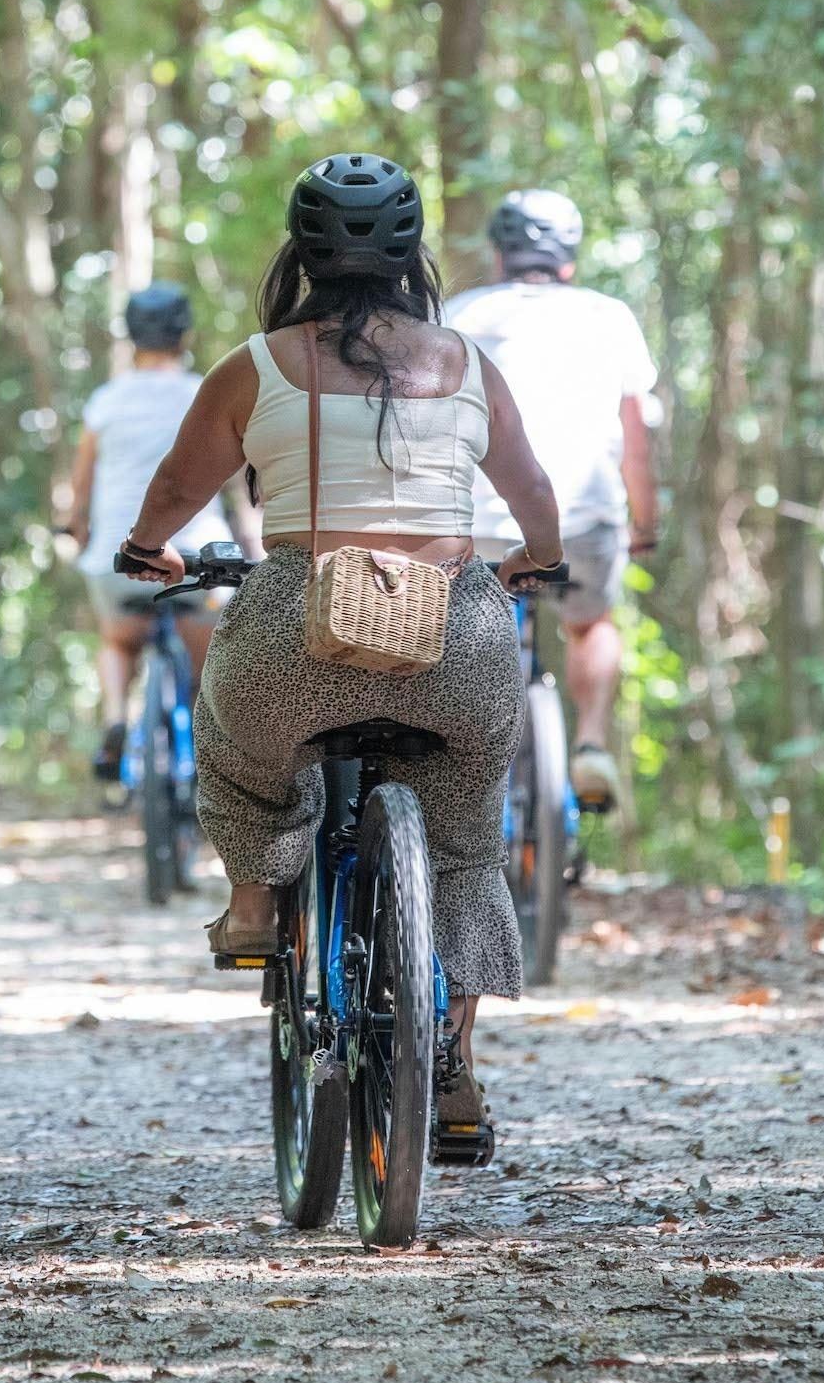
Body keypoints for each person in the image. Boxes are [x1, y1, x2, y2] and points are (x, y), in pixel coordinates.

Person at [117, 153, 565, 1142]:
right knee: (462, 846)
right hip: (453, 635)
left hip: (294, 627)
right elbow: (533, 495)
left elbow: (173, 489)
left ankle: (249, 904)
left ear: (300, 253)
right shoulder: (464, 363)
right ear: (410, 253)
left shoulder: (255, 364)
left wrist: (149, 549)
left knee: (241, 751)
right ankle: (449, 1067)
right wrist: (539, 560)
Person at [445, 188, 664, 815]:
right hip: (582, 523)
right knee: (591, 622)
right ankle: (590, 741)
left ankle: (458, 764)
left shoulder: (457, 314)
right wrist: (643, 525)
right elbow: (636, 446)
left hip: (477, 524)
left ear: (496, 255)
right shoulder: (609, 317)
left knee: (458, 634)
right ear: (568, 260)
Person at [60, 283, 240, 786]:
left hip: (117, 558)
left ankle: (116, 717)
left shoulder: (104, 402)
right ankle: (215, 760)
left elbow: (80, 492)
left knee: (118, 643)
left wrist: (80, 535)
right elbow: (235, 489)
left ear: (130, 337)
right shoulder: (205, 391)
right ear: (185, 333)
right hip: (198, 559)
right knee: (212, 673)